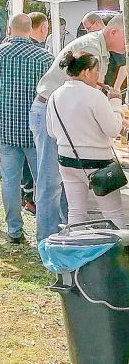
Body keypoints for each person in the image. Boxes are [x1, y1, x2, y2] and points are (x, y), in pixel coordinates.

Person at [32, 14, 125, 240]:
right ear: (86, 71)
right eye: (126, 39)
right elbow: (110, 127)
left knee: (74, 206)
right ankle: (47, 238)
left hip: (67, 150)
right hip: (90, 156)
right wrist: (114, 102)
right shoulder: (90, 49)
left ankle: (71, 244)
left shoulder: (63, 92)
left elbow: (57, 130)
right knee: (49, 182)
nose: (126, 46)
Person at [0, 14, 53, 243]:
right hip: (34, 129)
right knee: (43, 181)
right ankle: (45, 232)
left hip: (4, 127)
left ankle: (14, 230)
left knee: (10, 181)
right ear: (31, 29)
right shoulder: (44, 57)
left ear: (9, 29)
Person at [46, 51, 128, 229]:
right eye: (96, 71)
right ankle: (120, 251)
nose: (99, 75)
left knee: (76, 211)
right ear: (86, 72)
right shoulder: (96, 96)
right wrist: (115, 103)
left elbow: (52, 132)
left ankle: (76, 248)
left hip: (67, 159)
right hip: (97, 161)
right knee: (113, 213)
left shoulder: (55, 95)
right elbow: (113, 129)